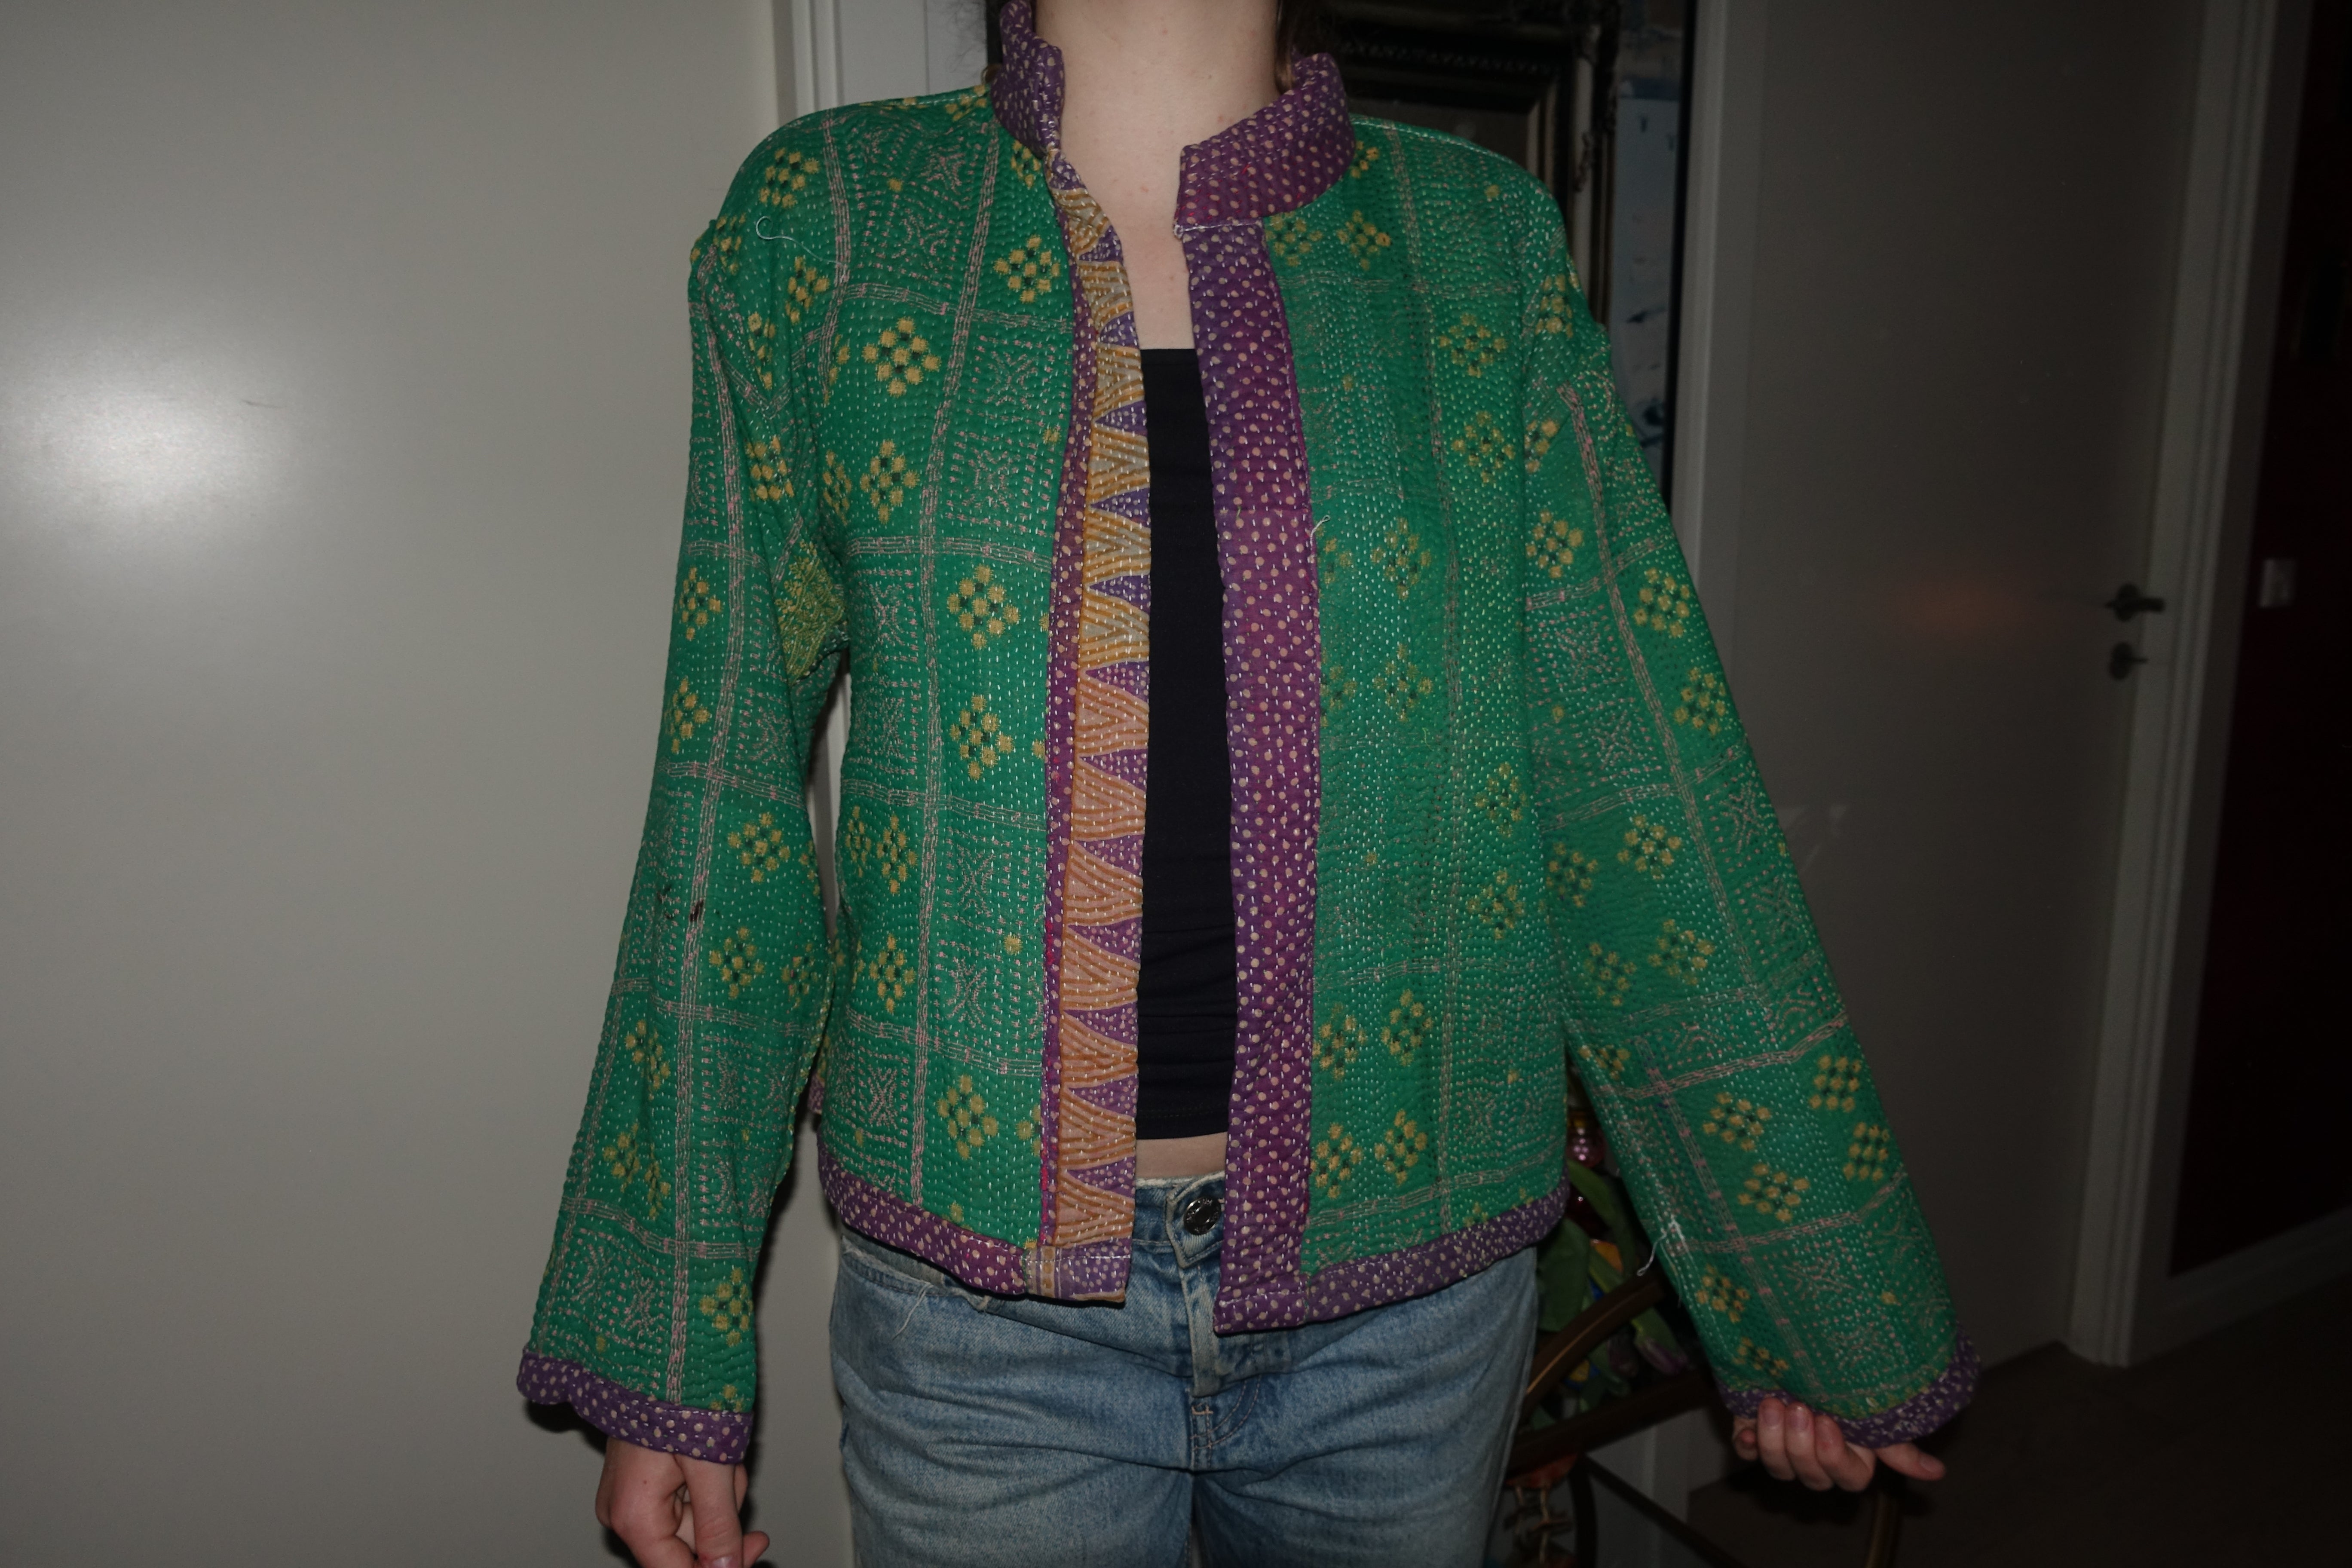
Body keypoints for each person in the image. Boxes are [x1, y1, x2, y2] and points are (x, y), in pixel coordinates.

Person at [519, 2, 1971, 1562]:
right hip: (981, 1325)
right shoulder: (834, 220)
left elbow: (1638, 779)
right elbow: (726, 787)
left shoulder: (1475, 244)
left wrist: (1816, 1298)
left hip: (1407, 1309)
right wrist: (663, 1350)